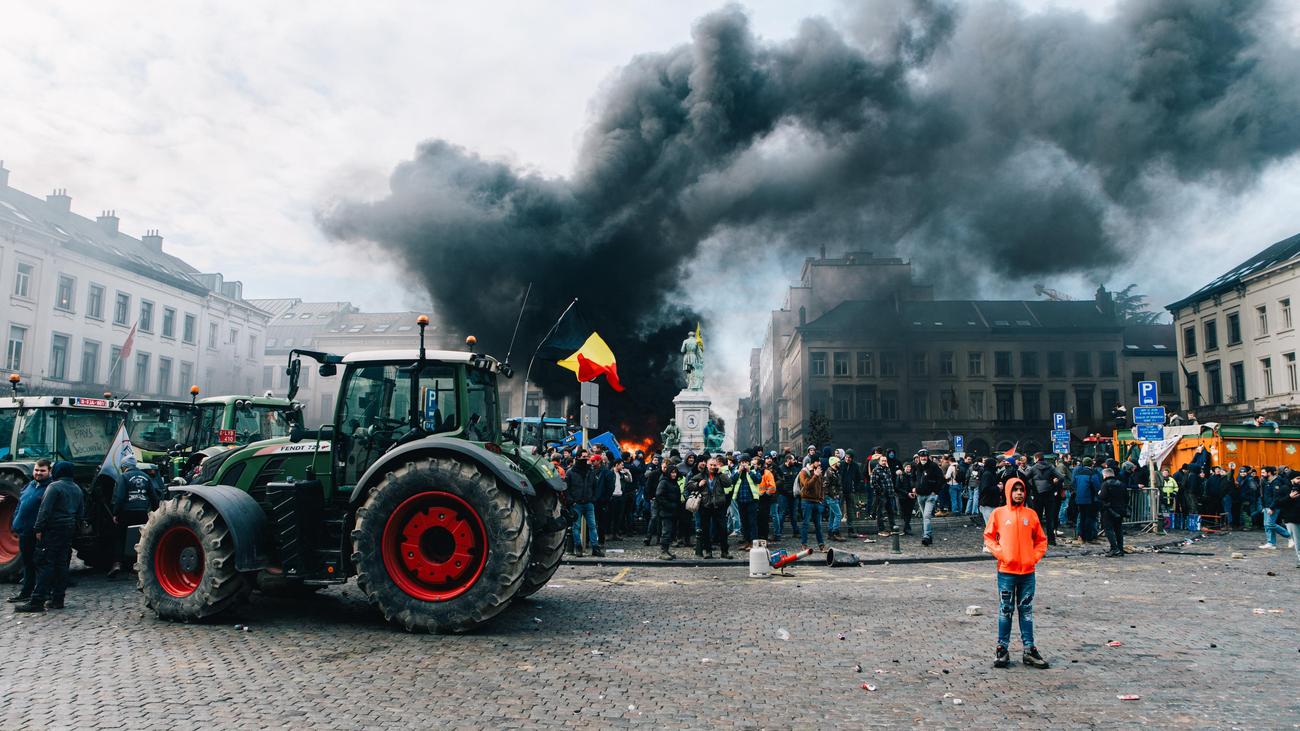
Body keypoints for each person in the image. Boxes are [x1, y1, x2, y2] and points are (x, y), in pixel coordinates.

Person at [983, 477, 1050, 669]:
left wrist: (1033, 557)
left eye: (1021, 490)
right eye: (1015, 490)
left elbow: (1041, 540)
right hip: (1007, 570)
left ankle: (1029, 649)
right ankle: (1002, 648)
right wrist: (1001, 553)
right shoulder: (999, 513)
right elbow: (988, 537)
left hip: (1027, 571)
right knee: (1006, 609)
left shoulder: (1031, 514)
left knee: (1026, 610)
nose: (1019, 493)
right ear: (1008, 492)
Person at [15, 461, 84, 613]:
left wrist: (38, 528)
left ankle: (37, 601)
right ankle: (58, 599)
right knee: (61, 565)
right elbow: (81, 512)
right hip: (68, 529)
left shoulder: (54, 487)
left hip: (52, 530)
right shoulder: (77, 488)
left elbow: (44, 510)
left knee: (45, 563)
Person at [107, 455, 164, 578]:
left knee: (120, 537)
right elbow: (154, 497)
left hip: (126, 512)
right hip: (142, 511)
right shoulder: (146, 477)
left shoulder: (123, 477)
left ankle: (117, 563)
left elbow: (120, 497)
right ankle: (136, 565)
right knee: (140, 539)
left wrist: (115, 513)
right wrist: (156, 512)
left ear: (124, 467)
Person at [6, 459, 52, 604]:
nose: (38, 473)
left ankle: (43, 594)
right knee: (27, 563)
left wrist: (41, 529)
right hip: (24, 531)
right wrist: (15, 521)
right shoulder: (30, 485)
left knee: (40, 564)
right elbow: (20, 504)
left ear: (49, 471)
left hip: (37, 533)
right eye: (37, 470)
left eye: (42, 470)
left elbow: (48, 512)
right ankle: (26, 592)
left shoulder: (50, 488)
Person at [694, 457, 732, 559]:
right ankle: (708, 551)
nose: (712, 467)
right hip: (705, 505)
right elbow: (689, 485)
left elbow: (728, 483)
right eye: (711, 465)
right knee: (706, 530)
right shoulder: (701, 475)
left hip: (719, 505)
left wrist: (720, 473)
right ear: (707, 465)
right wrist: (698, 484)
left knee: (723, 529)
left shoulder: (720, 475)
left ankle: (725, 551)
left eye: (714, 465)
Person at [566, 455, 603, 558]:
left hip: (582, 502)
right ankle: (592, 548)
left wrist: (571, 501)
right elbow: (567, 488)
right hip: (581, 503)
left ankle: (580, 548)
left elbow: (567, 488)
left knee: (581, 527)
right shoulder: (589, 471)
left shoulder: (572, 472)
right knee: (589, 526)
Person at [910, 450, 944, 546]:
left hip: (930, 495)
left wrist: (935, 491)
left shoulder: (933, 466)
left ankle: (926, 536)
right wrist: (913, 487)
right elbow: (912, 478)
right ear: (919, 457)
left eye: (925, 456)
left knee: (926, 516)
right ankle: (929, 536)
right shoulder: (916, 467)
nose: (923, 458)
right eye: (921, 457)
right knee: (925, 517)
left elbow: (940, 479)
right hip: (920, 495)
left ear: (927, 457)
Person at [1027, 453, 1062, 546]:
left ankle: (1036, 539)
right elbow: (1061, 477)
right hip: (1049, 495)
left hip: (1037, 495)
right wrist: (1053, 484)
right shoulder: (1050, 467)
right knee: (1049, 518)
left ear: (1037, 458)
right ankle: (1051, 540)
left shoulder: (1033, 468)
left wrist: (1032, 486)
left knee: (1037, 519)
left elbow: (1025, 478)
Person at [728, 456, 761, 550]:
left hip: (752, 500)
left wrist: (749, 471)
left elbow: (758, 480)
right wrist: (739, 471)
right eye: (742, 462)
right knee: (744, 522)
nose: (744, 464)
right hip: (740, 500)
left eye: (746, 462)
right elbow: (731, 481)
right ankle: (746, 541)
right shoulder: (736, 471)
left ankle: (753, 543)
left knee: (752, 522)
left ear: (749, 463)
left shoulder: (754, 471)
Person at [1258, 466, 1293, 550]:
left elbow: (1276, 497)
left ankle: (1289, 536)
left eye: (1263, 472)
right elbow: (1263, 495)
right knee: (1267, 525)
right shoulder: (1266, 481)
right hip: (1267, 506)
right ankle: (1271, 543)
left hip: (1274, 506)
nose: (1261, 474)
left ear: (1269, 473)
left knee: (1270, 524)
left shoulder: (1276, 482)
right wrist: (1263, 506)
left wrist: (1272, 508)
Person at [654, 464, 683, 560]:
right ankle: (663, 551)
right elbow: (659, 496)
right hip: (666, 511)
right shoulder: (664, 482)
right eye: (672, 472)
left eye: (675, 472)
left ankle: (666, 550)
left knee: (670, 532)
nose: (674, 474)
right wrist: (669, 505)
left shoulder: (674, 482)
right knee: (666, 531)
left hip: (673, 511)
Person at [1097, 467, 1128, 557]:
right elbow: (1127, 497)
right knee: (1118, 529)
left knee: (1109, 529)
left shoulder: (1105, 484)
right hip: (1120, 509)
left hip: (1109, 509)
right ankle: (1120, 549)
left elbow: (1102, 496)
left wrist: (1099, 494)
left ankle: (1114, 548)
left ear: (1105, 475)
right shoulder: (1121, 484)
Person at [797, 460, 827, 551]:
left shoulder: (818, 471)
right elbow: (806, 485)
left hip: (817, 502)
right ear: (813, 462)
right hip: (807, 501)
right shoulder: (804, 472)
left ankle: (821, 545)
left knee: (818, 525)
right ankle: (804, 544)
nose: (820, 463)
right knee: (805, 524)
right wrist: (815, 475)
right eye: (818, 461)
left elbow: (821, 486)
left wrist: (821, 498)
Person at [1071, 457, 1101, 544]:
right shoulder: (1092, 473)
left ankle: (1081, 535)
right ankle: (1089, 537)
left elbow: (1073, 484)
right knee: (1089, 518)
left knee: (1082, 517)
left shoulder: (1078, 473)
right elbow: (1097, 486)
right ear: (1092, 464)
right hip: (1089, 499)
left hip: (1079, 499)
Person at [1274, 471, 1300, 567]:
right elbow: (1278, 502)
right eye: (1298, 478)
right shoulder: (1284, 489)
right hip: (1291, 518)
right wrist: (1289, 497)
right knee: (1297, 541)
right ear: (1292, 479)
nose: (1299, 480)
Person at [772, 453, 799, 541]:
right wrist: (785, 491)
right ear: (788, 460)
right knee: (782, 514)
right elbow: (779, 482)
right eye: (792, 459)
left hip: (793, 495)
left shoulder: (795, 468)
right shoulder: (780, 468)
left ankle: (796, 532)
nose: (794, 461)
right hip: (783, 495)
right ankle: (778, 533)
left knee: (793, 514)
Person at [870, 453, 897, 536]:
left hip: (889, 493)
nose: (884, 462)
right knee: (880, 512)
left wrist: (892, 491)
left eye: (885, 460)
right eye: (882, 460)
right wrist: (881, 491)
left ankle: (893, 528)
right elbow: (873, 483)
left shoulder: (887, 469)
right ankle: (881, 529)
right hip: (881, 494)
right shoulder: (876, 470)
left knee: (890, 511)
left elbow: (890, 481)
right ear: (879, 461)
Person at [824, 456, 845, 541]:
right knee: (838, 514)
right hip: (831, 496)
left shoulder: (834, 471)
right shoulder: (830, 472)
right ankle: (835, 532)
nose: (839, 463)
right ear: (834, 463)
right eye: (838, 462)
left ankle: (830, 532)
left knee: (832, 515)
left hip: (834, 496)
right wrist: (829, 495)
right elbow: (825, 485)